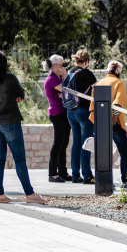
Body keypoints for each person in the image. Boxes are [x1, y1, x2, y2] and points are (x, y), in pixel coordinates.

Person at [0, 50, 46, 204]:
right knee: (19, 159)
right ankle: (29, 193)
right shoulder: (10, 78)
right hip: (10, 121)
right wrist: (17, 97)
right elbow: (20, 93)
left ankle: (0, 195)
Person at [88, 60, 127, 186]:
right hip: (115, 123)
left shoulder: (99, 83)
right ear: (119, 72)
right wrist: (115, 118)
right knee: (124, 153)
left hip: (100, 122)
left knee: (103, 153)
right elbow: (118, 103)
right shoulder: (119, 83)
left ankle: (105, 181)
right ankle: (126, 181)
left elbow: (93, 105)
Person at [65, 49, 97, 184]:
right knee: (86, 143)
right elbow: (98, 90)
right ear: (87, 61)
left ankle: (75, 174)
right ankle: (87, 175)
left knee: (76, 143)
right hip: (84, 111)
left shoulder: (70, 72)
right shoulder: (87, 73)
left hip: (70, 111)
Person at [44, 55, 70, 183]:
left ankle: (62, 172)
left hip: (64, 112)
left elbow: (67, 92)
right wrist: (66, 76)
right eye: (62, 65)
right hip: (57, 113)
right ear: (56, 66)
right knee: (58, 143)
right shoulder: (52, 79)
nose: (63, 67)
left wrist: (64, 93)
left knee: (64, 144)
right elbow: (67, 90)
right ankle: (52, 173)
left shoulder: (59, 79)